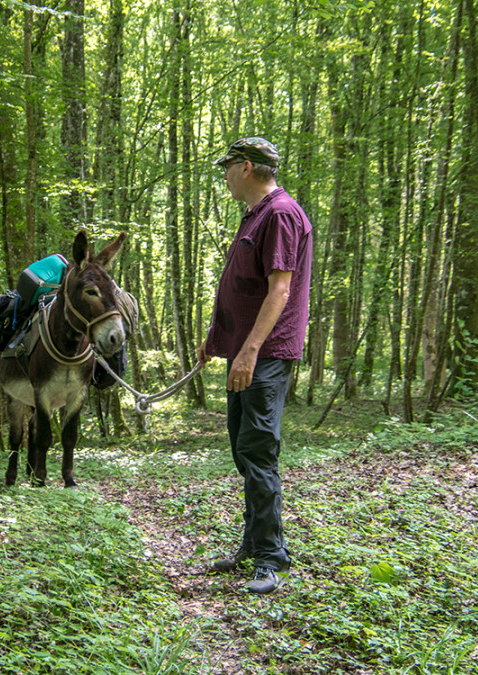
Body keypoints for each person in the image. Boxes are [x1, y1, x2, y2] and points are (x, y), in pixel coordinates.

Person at [197, 137, 312, 594]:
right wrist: (217, 341)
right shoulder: (256, 215)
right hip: (243, 352)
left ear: (246, 167)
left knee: (259, 451)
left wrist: (248, 351)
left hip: (265, 355)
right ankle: (254, 543)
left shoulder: (281, 213)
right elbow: (240, 289)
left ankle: (272, 558)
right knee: (244, 450)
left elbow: (279, 292)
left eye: (227, 167)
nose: (224, 175)